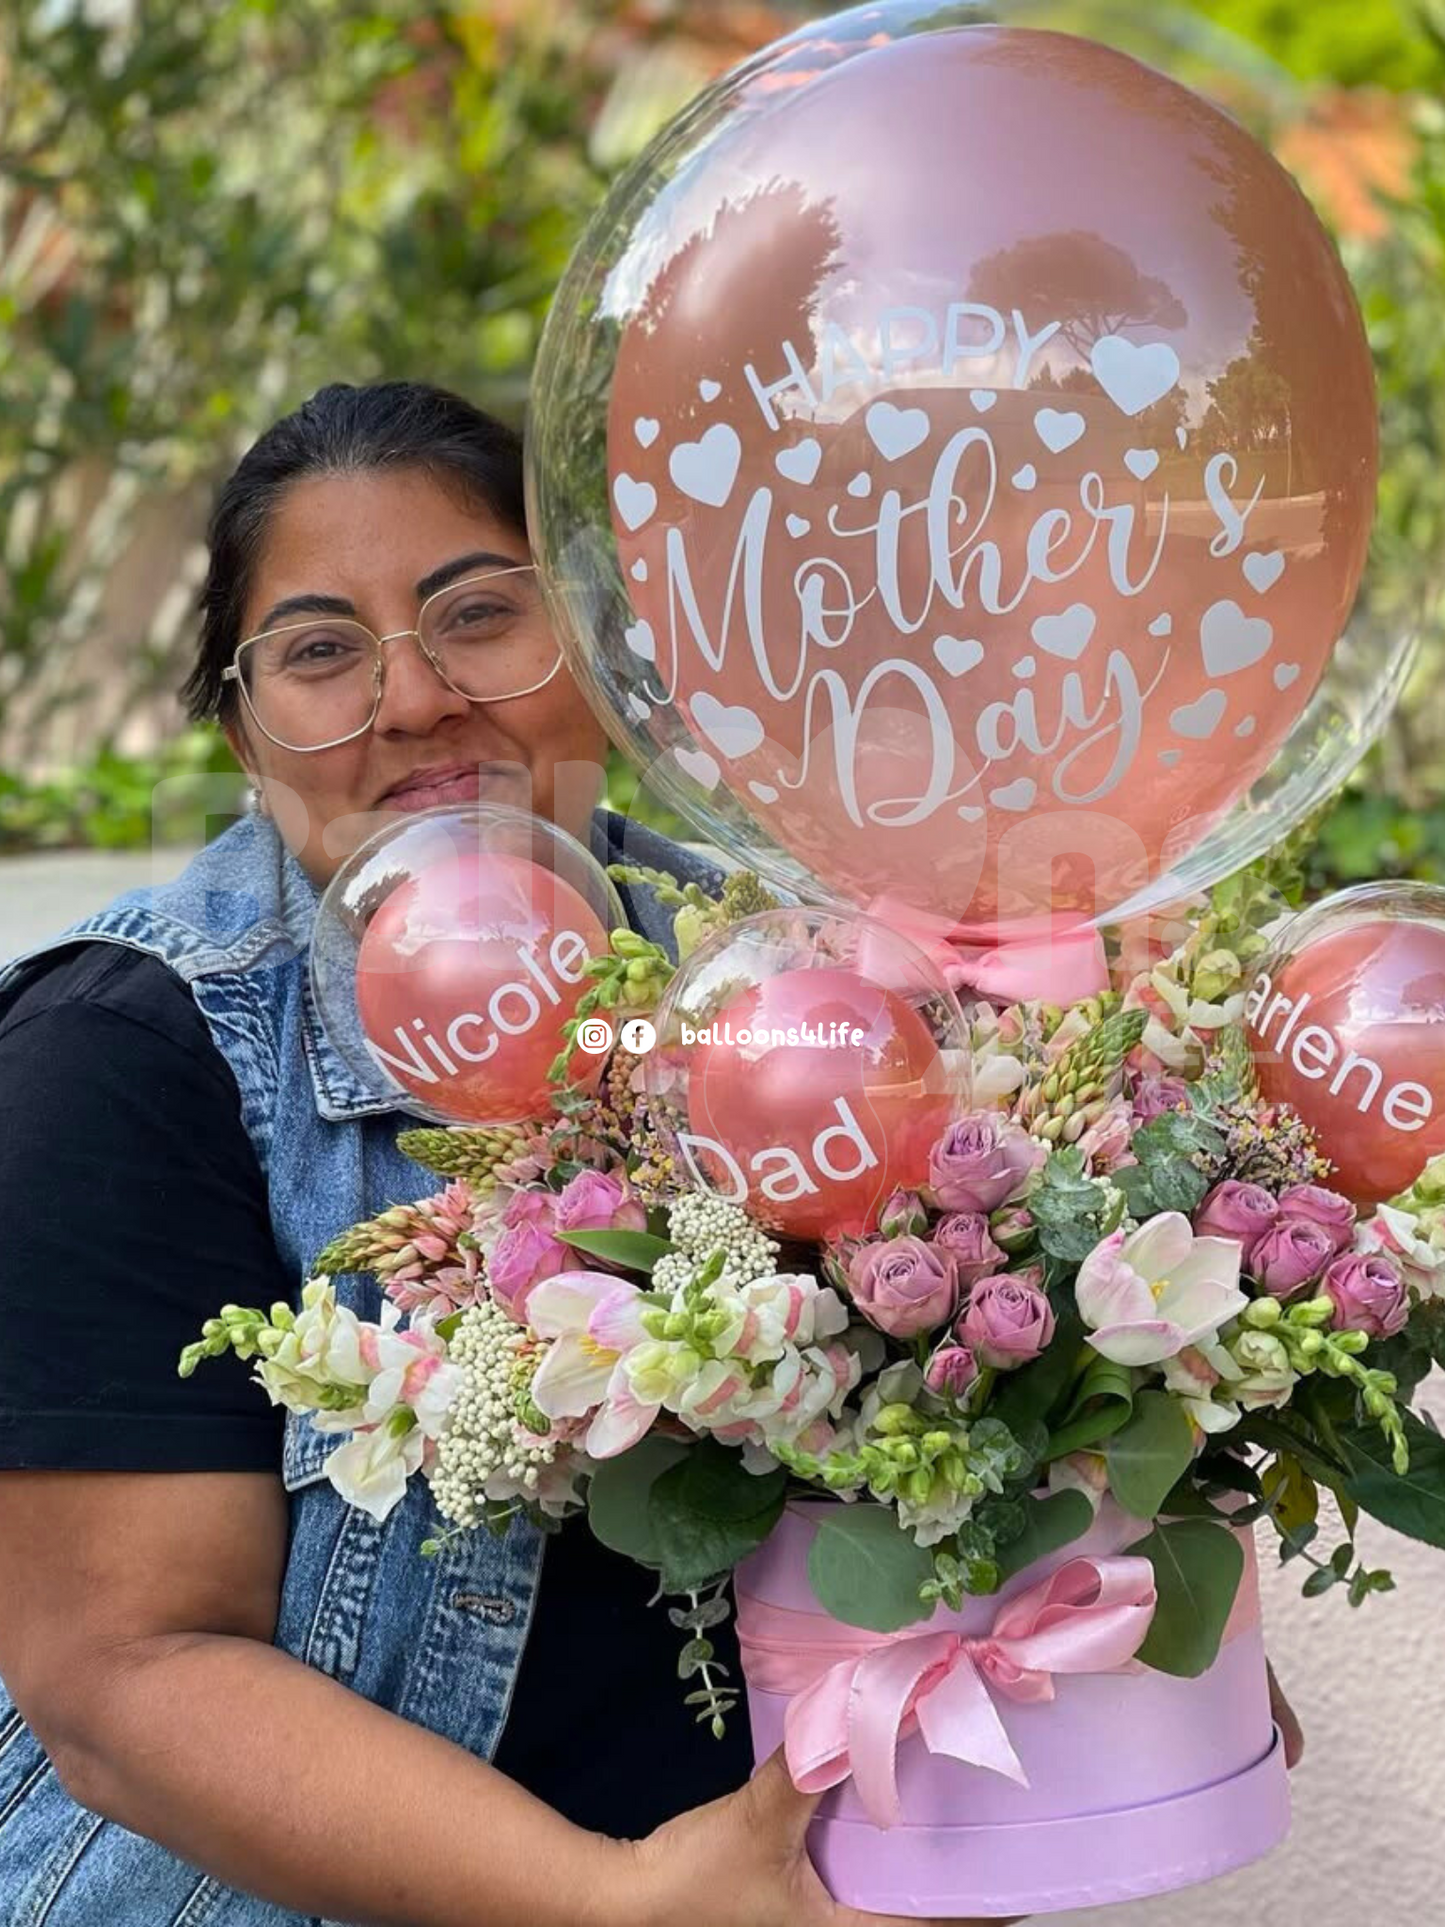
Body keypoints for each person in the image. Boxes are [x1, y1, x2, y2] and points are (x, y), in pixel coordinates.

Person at [0, 380, 1009, 1927]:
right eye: (321, 651)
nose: (409, 701)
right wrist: (610, 1901)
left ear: (605, 643)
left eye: (478, 613)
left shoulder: (794, 977)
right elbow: (124, 1671)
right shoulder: (129, 1054)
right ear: (242, 729)